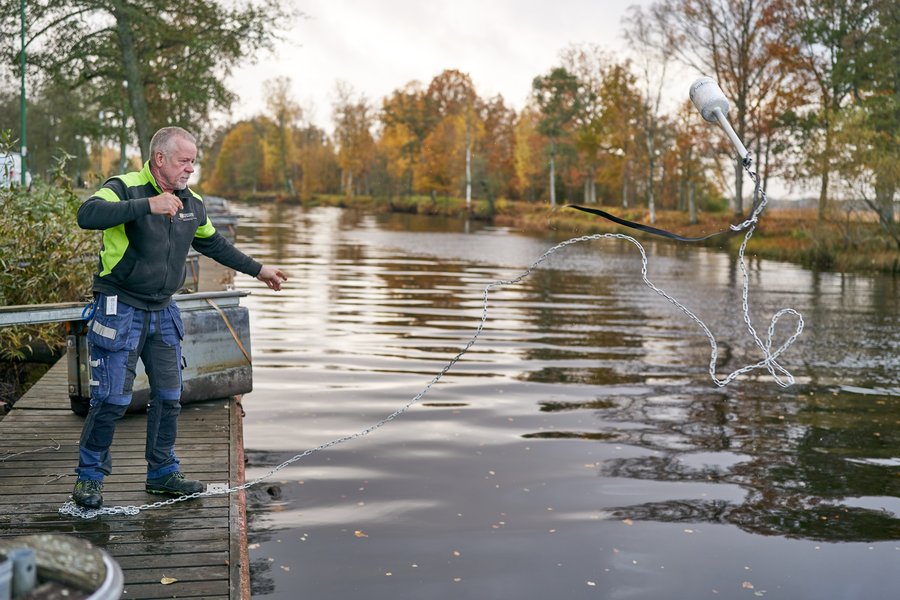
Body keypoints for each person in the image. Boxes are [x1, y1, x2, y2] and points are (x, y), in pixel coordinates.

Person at [71, 126, 286, 509]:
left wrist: (259, 269)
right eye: (184, 161)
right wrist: (148, 205)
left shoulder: (192, 203)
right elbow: (88, 215)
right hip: (120, 306)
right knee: (111, 400)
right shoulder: (125, 187)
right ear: (160, 159)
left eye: (193, 162)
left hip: (163, 310)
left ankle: (162, 474)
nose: (191, 169)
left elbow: (213, 243)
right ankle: (90, 478)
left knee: (170, 396)